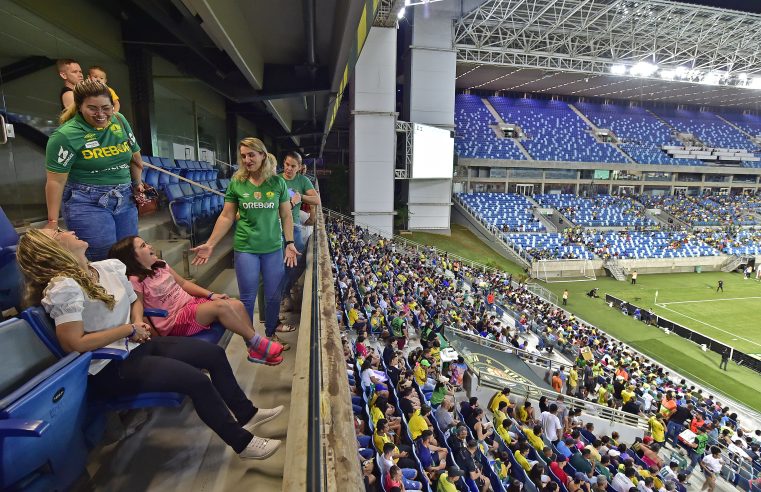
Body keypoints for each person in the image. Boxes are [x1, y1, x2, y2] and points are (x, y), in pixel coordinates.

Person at [16, 229, 282, 460]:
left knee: (212, 354)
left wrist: (137, 323)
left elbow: (134, 300)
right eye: (57, 233)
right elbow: (73, 343)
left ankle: (246, 412)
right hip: (110, 365)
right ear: (50, 249)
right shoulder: (63, 287)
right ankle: (242, 443)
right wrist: (128, 329)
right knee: (197, 381)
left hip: (136, 345)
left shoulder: (107, 267)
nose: (67, 231)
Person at [191, 137, 299, 351]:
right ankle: (252, 341)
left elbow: (286, 216)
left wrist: (289, 242)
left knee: (273, 295)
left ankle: (270, 333)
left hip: (273, 248)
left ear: (262, 155)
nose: (247, 159)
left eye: (251, 155)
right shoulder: (237, 182)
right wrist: (211, 243)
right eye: (243, 156)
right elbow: (226, 216)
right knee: (247, 298)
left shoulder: (277, 182)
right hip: (246, 248)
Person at [108, 236, 284, 365]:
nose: (150, 245)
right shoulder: (135, 280)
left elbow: (184, 283)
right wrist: (144, 326)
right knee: (222, 307)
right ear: (132, 257)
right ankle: (258, 342)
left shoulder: (161, 265)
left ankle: (253, 349)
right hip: (176, 320)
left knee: (236, 304)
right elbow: (137, 304)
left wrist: (210, 295)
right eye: (143, 245)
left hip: (190, 306)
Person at [44, 79, 145, 261]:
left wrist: (138, 185)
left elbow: (136, 159)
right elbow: (55, 181)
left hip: (125, 198)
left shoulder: (119, 121)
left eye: (106, 108)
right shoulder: (65, 135)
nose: (101, 114)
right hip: (86, 201)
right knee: (104, 259)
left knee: (131, 256)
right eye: (92, 108)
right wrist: (52, 222)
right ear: (80, 106)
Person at [279, 151, 320, 310]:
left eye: (293, 166)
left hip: (294, 225)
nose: (289, 168)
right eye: (287, 164)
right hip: (275, 226)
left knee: (299, 260)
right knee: (280, 265)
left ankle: (285, 291)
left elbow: (316, 199)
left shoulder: (302, 180)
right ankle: (283, 294)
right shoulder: (276, 180)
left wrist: (300, 197)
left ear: (299, 167)